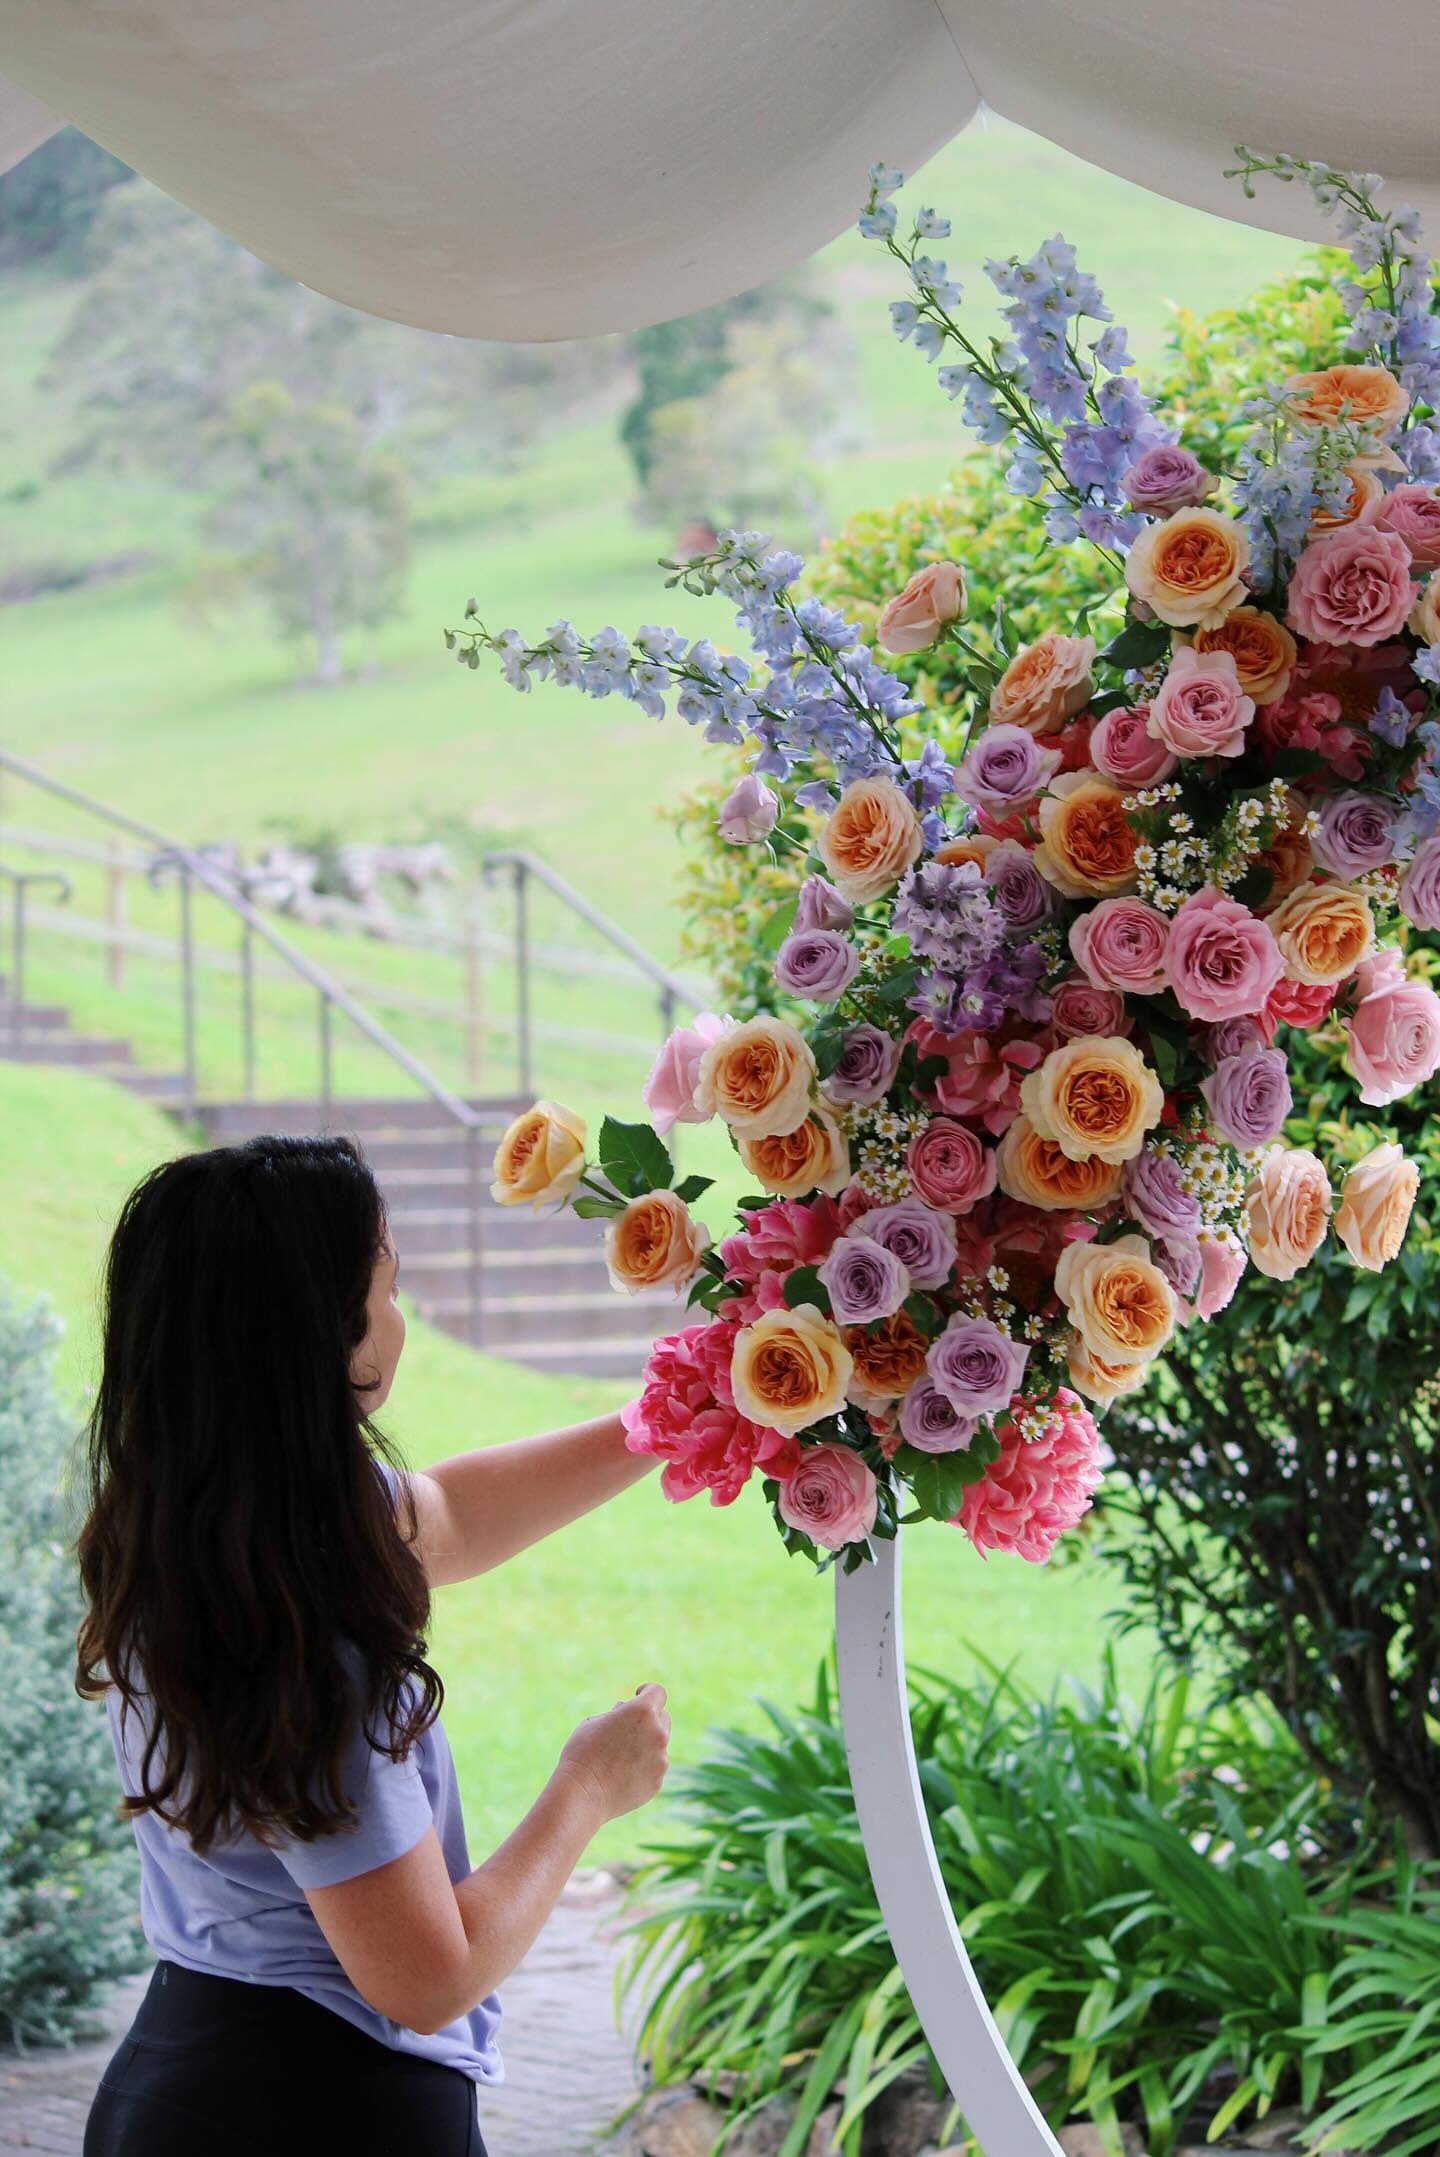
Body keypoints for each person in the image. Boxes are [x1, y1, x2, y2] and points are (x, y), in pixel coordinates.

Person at [73, 1134, 670, 2157]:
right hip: (315, 2107)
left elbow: (445, 1517)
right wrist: (589, 1786)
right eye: (389, 1285)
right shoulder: (300, 1647)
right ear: (329, 1337)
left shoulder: (203, 1530)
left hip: (184, 2071)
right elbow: (428, 1979)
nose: (400, 1318)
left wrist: (670, 1419)